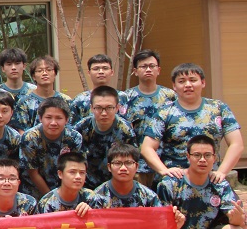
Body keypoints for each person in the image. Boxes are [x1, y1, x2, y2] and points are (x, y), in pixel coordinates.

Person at [142, 63, 244, 183]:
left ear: (203, 83)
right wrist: (163, 170)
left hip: (210, 178)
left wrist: (222, 172)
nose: (188, 85)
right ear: (174, 86)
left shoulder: (219, 109)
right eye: (182, 81)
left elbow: (236, 144)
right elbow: (147, 147)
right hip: (175, 180)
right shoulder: (164, 113)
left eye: (193, 80)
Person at [120, 49, 176, 185]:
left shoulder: (171, 96)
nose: (148, 69)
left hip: (166, 163)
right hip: (137, 165)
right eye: (143, 66)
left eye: (152, 66)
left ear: (159, 70)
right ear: (135, 71)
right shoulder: (126, 98)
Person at [73, 86, 137, 188]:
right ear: (91, 108)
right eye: (98, 108)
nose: (104, 113)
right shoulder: (81, 128)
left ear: (117, 108)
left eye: (109, 108)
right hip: (84, 182)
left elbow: (131, 160)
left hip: (115, 182)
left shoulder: (126, 131)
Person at [20, 97, 83, 197]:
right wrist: (52, 198)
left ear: (67, 120)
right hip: (34, 191)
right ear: (40, 118)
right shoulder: (30, 138)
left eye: (59, 118)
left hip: (63, 188)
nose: (53, 123)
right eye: (48, 117)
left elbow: (73, 168)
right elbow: (33, 173)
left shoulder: (74, 138)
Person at [10, 55, 71, 132]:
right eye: (40, 71)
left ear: (55, 74)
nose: (44, 73)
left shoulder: (66, 100)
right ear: (33, 76)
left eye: (49, 70)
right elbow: (22, 132)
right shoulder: (24, 103)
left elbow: (70, 128)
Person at [36, 153, 106, 215]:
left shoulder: (91, 198)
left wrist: (91, 213)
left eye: (82, 172)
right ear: (60, 174)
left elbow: (102, 223)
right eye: (72, 172)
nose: (78, 177)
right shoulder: (47, 203)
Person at [70, 54, 115, 121]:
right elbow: (71, 125)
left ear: (112, 72)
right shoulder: (79, 100)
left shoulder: (123, 98)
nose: (101, 72)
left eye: (105, 68)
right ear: (89, 73)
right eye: (96, 69)